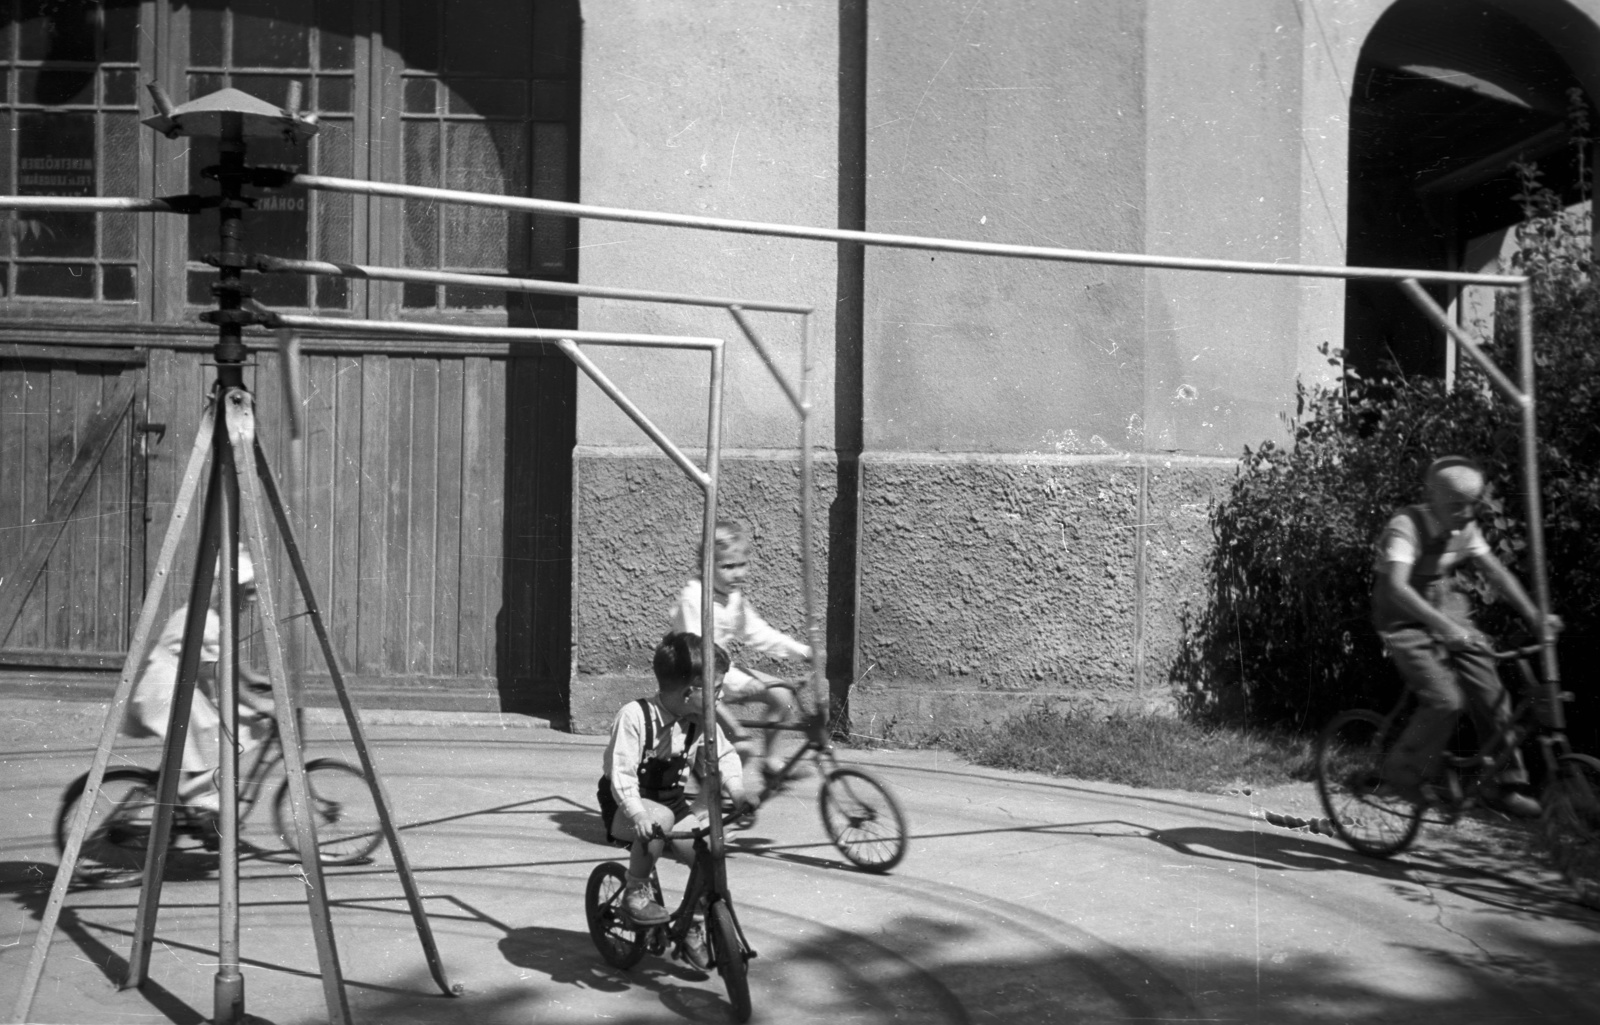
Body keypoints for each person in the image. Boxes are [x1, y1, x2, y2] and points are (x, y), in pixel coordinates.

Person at [1372, 456, 1562, 817]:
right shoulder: (1406, 526)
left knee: (1491, 690)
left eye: (1472, 504)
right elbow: (1397, 588)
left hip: (1445, 610)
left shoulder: (1465, 528)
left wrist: (1536, 617)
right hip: (1402, 620)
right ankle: (1402, 771)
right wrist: (1447, 629)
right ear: (1433, 496)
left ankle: (1502, 784)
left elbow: (1497, 574)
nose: (1466, 513)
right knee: (1446, 699)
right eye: (1456, 504)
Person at [597, 631, 757, 966]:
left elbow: (724, 756)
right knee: (659, 821)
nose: (721, 695)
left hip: (670, 801)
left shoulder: (699, 721)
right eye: (715, 690)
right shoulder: (635, 717)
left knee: (709, 852)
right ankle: (635, 890)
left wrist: (737, 791)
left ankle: (694, 923)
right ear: (689, 692)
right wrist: (638, 815)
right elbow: (622, 775)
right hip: (626, 804)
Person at [124, 550, 275, 822]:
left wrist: (257, 680)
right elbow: (225, 680)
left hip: (174, 687)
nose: (252, 597)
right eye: (248, 590)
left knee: (222, 734)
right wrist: (262, 704)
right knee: (221, 734)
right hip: (166, 691)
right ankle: (197, 796)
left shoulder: (212, 615)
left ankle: (193, 795)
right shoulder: (207, 620)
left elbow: (231, 661)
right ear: (231, 589)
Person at [669, 519, 816, 783]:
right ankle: (711, 799)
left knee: (783, 696)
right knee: (742, 747)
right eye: (728, 567)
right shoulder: (694, 598)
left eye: (741, 565)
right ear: (705, 567)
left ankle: (771, 764)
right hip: (695, 681)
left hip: (722, 673)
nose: (737, 574)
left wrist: (803, 651)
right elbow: (699, 657)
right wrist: (742, 682)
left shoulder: (732, 596)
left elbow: (756, 632)